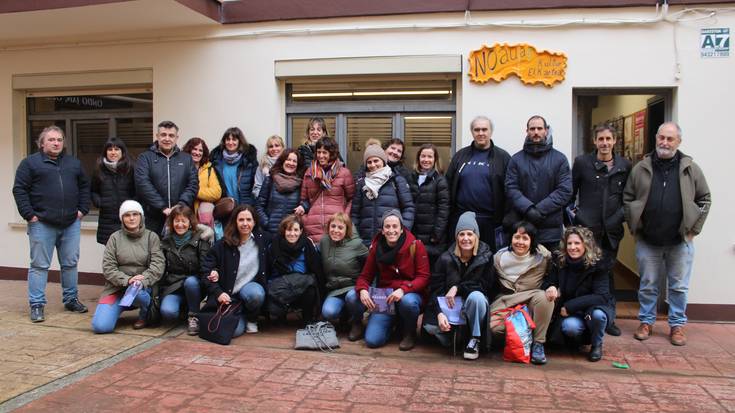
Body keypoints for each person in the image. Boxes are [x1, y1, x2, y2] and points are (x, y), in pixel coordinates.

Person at [624, 122, 711, 346]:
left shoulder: (690, 169)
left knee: (678, 287)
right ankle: (646, 322)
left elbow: (705, 199)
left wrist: (694, 229)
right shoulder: (641, 168)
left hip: (679, 241)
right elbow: (628, 197)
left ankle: (677, 325)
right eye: (661, 137)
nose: (664, 142)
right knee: (648, 285)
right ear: (656, 138)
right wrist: (635, 226)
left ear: (678, 142)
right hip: (648, 240)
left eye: (670, 139)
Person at [13, 125, 91, 322]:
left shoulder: (73, 163)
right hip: (42, 223)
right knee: (39, 265)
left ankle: (71, 299)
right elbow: (19, 190)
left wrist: (82, 210)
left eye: (59, 140)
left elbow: (85, 186)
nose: (56, 143)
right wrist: (29, 215)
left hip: (71, 223)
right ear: (42, 143)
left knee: (70, 264)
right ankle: (37, 304)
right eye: (51, 139)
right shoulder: (30, 163)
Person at [570, 124, 631, 336]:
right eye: (601, 139)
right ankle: (582, 315)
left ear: (614, 141)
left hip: (611, 232)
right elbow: (570, 193)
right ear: (594, 141)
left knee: (607, 275)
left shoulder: (624, 165)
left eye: (608, 139)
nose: (605, 143)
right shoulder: (582, 163)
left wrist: (618, 218)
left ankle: (608, 317)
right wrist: (575, 220)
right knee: (584, 273)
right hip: (586, 231)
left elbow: (629, 199)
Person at [349, 210, 430, 350]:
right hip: (385, 297)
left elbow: (423, 277)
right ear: (382, 230)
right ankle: (391, 323)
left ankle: (409, 331)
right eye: (387, 226)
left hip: (409, 294)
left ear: (401, 228)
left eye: (395, 226)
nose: (391, 230)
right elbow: (365, 276)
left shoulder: (415, 246)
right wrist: (362, 290)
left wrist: (403, 290)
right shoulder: (376, 247)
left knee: (408, 302)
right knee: (373, 341)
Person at [423, 212, 494, 360]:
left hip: (473, 308)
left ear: (476, 236)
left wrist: (457, 287)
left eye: (470, 234)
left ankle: (474, 339)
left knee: (477, 297)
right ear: (456, 237)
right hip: (450, 308)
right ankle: (456, 335)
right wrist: (439, 313)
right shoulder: (445, 258)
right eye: (461, 234)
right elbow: (434, 289)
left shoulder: (486, 257)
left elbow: (485, 286)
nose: (465, 238)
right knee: (431, 330)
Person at [91, 200, 165, 333]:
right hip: (117, 288)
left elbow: (158, 265)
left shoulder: (151, 237)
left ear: (141, 216)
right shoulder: (114, 238)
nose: (131, 218)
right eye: (127, 215)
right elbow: (108, 268)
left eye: (135, 214)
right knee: (100, 326)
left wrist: (141, 281)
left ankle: (145, 312)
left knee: (137, 293)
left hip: (142, 289)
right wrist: (127, 280)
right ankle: (117, 309)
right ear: (122, 218)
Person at [543, 226, 615, 362]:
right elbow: (549, 281)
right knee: (570, 327)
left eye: (577, 243)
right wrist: (551, 286)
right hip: (573, 313)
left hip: (593, 307)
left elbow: (601, 296)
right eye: (569, 243)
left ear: (586, 245)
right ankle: (578, 341)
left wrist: (570, 306)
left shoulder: (598, 264)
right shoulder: (560, 261)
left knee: (598, 316)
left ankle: (596, 344)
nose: (572, 247)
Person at [490, 221, 554, 365]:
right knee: (494, 329)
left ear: (532, 241)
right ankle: (523, 339)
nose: (520, 242)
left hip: (531, 302)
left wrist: (552, 286)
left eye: (525, 238)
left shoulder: (543, 257)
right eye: (517, 237)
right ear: (511, 238)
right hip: (507, 303)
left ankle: (538, 344)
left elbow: (553, 276)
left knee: (545, 297)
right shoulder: (498, 258)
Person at [200, 205, 270, 336]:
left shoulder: (263, 240)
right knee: (233, 332)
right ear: (235, 222)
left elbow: (283, 241)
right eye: (241, 220)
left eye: (249, 220)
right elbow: (206, 270)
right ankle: (240, 314)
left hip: (249, 291)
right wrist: (218, 292)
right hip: (228, 297)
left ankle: (252, 318)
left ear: (254, 222)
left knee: (256, 294)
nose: (245, 224)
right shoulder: (223, 244)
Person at [505, 115, 572, 252]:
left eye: (539, 128)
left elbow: (565, 190)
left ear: (546, 131)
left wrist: (539, 210)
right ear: (527, 131)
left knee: (551, 265)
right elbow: (511, 188)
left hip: (551, 231)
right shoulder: (516, 159)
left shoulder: (560, 159)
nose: (536, 132)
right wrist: (528, 209)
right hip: (523, 229)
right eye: (532, 129)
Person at [445, 116, 511, 252]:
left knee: (488, 258)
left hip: (491, 223)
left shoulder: (503, 157)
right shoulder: (460, 156)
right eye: (477, 130)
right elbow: (448, 184)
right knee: (462, 258)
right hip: (462, 221)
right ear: (472, 132)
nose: (481, 133)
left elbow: (510, 190)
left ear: (491, 131)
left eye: (484, 129)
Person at [135, 120, 198, 235]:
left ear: (176, 138)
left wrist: (180, 205)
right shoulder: (145, 158)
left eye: (171, 135)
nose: (167, 139)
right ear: (157, 136)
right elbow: (143, 184)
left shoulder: (186, 159)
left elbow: (193, 184)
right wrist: (162, 207)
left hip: (180, 217)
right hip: (152, 217)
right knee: (153, 246)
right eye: (163, 135)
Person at [159, 205, 213, 335]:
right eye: (177, 221)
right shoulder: (166, 241)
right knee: (168, 312)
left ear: (190, 222)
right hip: (174, 285)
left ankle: (194, 316)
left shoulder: (200, 239)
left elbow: (205, 267)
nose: (180, 224)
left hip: (195, 285)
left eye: (183, 221)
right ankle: (184, 307)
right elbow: (161, 269)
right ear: (172, 222)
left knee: (190, 282)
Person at [352, 144, 415, 246]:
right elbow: (355, 214)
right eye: (369, 162)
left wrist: (402, 231)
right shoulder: (362, 184)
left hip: (391, 241)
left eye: (376, 161)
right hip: (366, 242)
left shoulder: (397, 181)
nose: (373, 165)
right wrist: (356, 238)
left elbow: (408, 208)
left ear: (383, 161)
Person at [268, 215, 325, 325]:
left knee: (311, 288)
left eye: (296, 230)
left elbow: (317, 271)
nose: (292, 233)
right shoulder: (274, 246)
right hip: (281, 288)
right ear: (284, 231)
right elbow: (269, 270)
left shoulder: (307, 245)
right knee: (274, 309)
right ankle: (281, 315)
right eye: (289, 230)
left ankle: (307, 318)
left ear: (301, 231)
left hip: (302, 287)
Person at [295, 137, 355, 243]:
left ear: (332, 153)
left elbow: (352, 198)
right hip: (313, 229)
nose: (321, 156)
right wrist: (305, 218)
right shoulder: (309, 172)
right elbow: (304, 199)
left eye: (324, 152)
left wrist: (344, 217)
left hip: (336, 228)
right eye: (319, 152)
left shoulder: (344, 173)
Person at [320, 213, 369, 332]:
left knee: (351, 297)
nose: (336, 230)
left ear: (347, 229)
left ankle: (357, 322)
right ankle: (345, 314)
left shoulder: (356, 244)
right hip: (335, 289)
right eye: (333, 226)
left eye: (340, 227)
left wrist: (367, 287)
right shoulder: (324, 242)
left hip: (353, 288)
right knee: (328, 312)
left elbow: (371, 264)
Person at [408, 143, 450, 266]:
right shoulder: (411, 178)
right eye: (423, 156)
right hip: (414, 233)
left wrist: (436, 234)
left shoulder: (440, 180)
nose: (426, 160)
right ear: (418, 158)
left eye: (430, 156)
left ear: (435, 160)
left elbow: (444, 210)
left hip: (432, 237)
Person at [91, 137, 136, 246]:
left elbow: (138, 191)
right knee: (111, 252)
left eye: (116, 149)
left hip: (128, 218)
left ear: (122, 151)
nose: (113, 152)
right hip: (107, 220)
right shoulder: (99, 169)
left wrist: (132, 206)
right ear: (105, 152)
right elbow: (93, 191)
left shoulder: (131, 168)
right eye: (110, 149)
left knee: (129, 251)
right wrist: (100, 203)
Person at [255, 149, 303, 234]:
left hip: (291, 233)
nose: (291, 163)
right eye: (288, 159)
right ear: (282, 161)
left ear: (298, 164)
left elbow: (307, 202)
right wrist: (267, 223)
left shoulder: (301, 183)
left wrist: (304, 206)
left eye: (294, 161)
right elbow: (259, 206)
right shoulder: (270, 180)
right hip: (271, 232)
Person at [210, 127, 258, 207]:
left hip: (244, 206)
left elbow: (255, 184)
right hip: (224, 206)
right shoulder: (216, 160)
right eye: (228, 139)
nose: (230, 142)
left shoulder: (249, 160)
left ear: (240, 141)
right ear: (224, 141)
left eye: (234, 139)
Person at [182, 137, 222, 228]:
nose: (197, 153)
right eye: (195, 149)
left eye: (200, 150)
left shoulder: (209, 169)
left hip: (202, 214)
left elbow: (217, 192)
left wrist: (193, 191)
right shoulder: (180, 167)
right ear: (189, 150)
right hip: (184, 209)